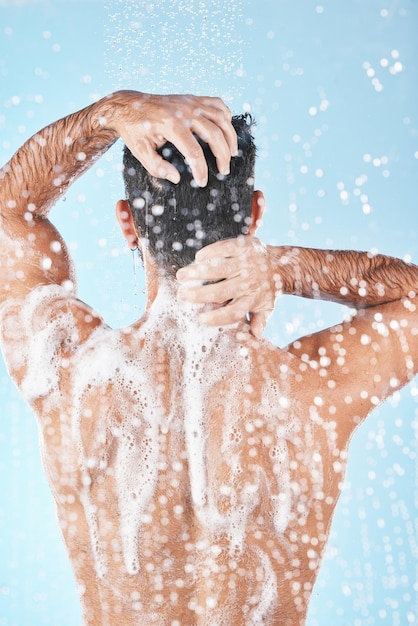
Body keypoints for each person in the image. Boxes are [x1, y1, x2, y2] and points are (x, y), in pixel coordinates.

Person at [0, 90, 416, 626]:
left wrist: (111, 114)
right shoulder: (314, 389)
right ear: (255, 214)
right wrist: (287, 267)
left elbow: (11, 209)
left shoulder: (69, 370)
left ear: (128, 221)